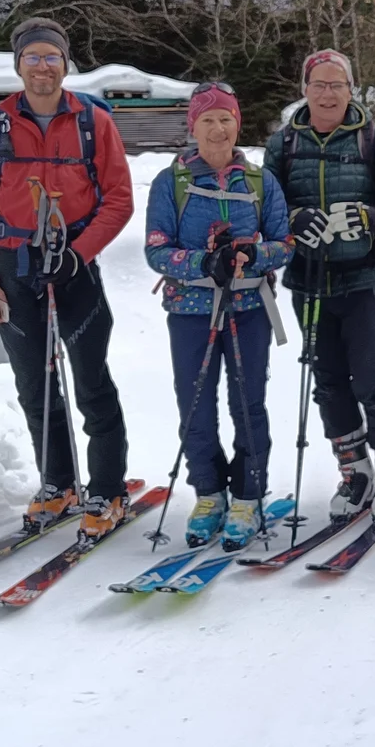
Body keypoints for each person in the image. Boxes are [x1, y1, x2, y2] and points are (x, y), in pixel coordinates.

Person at [0, 17, 136, 539]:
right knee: (34, 385)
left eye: (52, 57)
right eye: (33, 57)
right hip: (15, 268)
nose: (43, 67)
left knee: (90, 381)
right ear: (18, 65)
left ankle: (108, 487)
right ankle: (58, 482)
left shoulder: (93, 122)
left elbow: (120, 200)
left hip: (74, 266)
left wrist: (79, 253)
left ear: (66, 63)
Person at [271, 49, 375, 521]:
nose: (328, 93)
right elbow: (266, 210)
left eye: (337, 84)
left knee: (370, 375)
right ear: (305, 89)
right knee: (329, 381)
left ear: (351, 89)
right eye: (319, 84)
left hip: (362, 279)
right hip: (309, 282)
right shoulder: (283, 145)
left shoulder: (374, 140)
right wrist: (296, 220)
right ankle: (354, 469)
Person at [142, 82, 293, 551]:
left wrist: (249, 255)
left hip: (248, 309)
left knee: (248, 403)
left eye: (225, 118)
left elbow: (284, 243)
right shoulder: (172, 182)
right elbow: (156, 248)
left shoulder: (259, 181)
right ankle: (209, 495)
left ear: (237, 124)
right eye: (207, 119)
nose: (218, 128)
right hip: (190, 310)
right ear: (193, 126)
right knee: (195, 405)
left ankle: (247, 496)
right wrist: (202, 263)